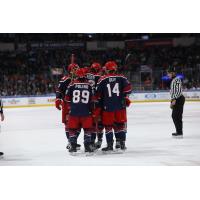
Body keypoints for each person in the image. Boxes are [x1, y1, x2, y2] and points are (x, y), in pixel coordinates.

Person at [95, 61, 132, 152]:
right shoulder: (122, 77)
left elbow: (97, 95)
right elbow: (129, 90)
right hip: (120, 106)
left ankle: (110, 146)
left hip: (107, 107)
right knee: (120, 125)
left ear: (107, 70)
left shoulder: (102, 79)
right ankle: (122, 144)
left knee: (108, 127)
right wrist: (124, 97)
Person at [65, 68, 95, 155]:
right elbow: (92, 100)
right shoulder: (89, 85)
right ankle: (87, 147)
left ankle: (73, 147)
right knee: (87, 129)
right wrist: (92, 111)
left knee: (72, 130)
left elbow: (67, 99)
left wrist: (71, 108)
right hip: (86, 111)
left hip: (74, 111)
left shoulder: (71, 84)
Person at [55, 63, 81, 150]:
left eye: (78, 68)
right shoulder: (65, 79)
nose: (77, 70)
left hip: (79, 104)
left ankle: (73, 141)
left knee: (79, 124)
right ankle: (70, 142)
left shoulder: (80, 78)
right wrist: (58, 99)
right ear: (71, 70)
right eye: (75, 69)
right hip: (67, 105)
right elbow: (59, 90)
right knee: (68, 124)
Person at [86, 62, 104, 149]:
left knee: (92, 123)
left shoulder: (87, 76)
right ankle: (99, 140)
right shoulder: (100, 77)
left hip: (88, 103)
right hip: (99, 102)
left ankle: (91, 142)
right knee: (99, 123)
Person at [167, 66, 185, 138]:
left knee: (176, 116)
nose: (168, 74)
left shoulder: (176, 80)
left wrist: (174, 100)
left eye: (168, 73)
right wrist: (172, 100)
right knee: (175, 116)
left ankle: (179, 132)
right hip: (176, 99)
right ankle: (179, 131)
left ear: (172, 73)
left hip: (178, 99)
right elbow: (174, 91)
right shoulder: (174, 80)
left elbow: (178, 91)